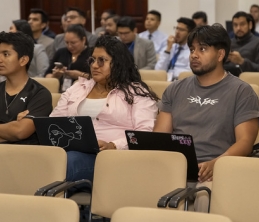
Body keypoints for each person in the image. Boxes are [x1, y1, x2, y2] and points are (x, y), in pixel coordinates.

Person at [153, 24, 259, 212]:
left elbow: (245, 142)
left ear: (220, 55)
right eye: (192, 49)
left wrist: (216, 163)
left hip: (217, 170)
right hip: (177, 167)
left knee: (204, 195)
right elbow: (160, 138)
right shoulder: (175, 89)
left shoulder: (242, 92)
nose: (194, 55)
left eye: (202, 49)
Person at [50, 35, 158, 183]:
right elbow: (54, 122)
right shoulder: (78, 88)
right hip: (71, 150)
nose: (94, 65)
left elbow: (145, 133)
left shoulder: (137, 93)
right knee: (43, 159)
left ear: (118, 64)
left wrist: (114, 145)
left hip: (112, 158)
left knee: (64, 163)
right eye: (92, 60)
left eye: (102, 60)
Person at [0, 31, 52, 144]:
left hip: (23, 156)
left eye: (6, 54)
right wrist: (11, 127)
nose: (0, 59)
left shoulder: (40, 94)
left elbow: (20, 131)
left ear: (23, 60)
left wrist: (15, 128)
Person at [45, 24, 91, 92]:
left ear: (83, 40)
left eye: (73, 43)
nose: (69, 46)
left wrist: (81, 75)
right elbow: (47, 75)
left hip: (84, 91)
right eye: (66, 42)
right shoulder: (61, 52)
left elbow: (98, 78)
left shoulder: (92, 53)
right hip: (61, 91)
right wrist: (55, 76)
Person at [224, 11, 259, 76]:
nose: (238, 28)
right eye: (235, 25)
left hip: (249, 82)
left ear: (250, 25)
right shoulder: (229, 43)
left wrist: (242, 62)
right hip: (227, 80)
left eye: (242, 24)